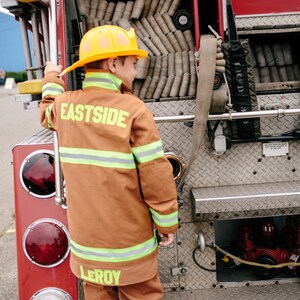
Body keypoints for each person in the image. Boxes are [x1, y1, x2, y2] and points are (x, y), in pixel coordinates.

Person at [40, 25, 178, 300]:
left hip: (88, 254)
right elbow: (155, 176)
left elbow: (46, 110)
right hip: (131, 253)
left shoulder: (64, 107)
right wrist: (166, 224)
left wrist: (51, 75)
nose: (137, 71)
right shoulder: (134, 110)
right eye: (133, 63)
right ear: (114, 63)